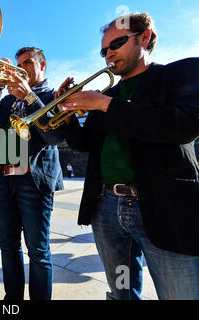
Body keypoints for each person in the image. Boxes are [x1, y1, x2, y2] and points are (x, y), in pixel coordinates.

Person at [59, 13, 199, 299]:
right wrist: (68, 116)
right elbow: (84, 144)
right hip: (107, 209)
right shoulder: (109, 93)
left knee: (180, 294)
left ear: (145, 37)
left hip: (163, 208)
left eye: (117, 43)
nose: (108, 54)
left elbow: (179, 126)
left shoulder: (178, 74)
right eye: (104, 50)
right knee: (123, 290)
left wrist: (105, 104)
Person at [0, 47, 64, 300]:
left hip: (34, 181)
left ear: (42, 66)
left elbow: (54, 135)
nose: (21, 69)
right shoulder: (6, 100)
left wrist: (29, 97)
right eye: (18, 64)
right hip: (5, 179)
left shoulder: (53, 94)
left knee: (38, 251)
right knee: (7, 246)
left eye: (27, 63)